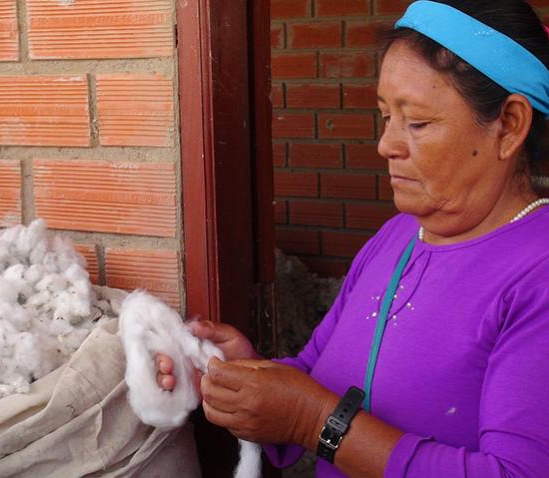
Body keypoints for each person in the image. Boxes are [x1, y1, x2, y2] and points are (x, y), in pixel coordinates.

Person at [156, 0, 549, 476]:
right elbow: (321, 376)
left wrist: (309, 419)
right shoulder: (399, 236)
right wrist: (246, 376)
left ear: (508, 126)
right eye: (386, 116)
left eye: (417, 123)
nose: (387, 144)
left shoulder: (537, 274)